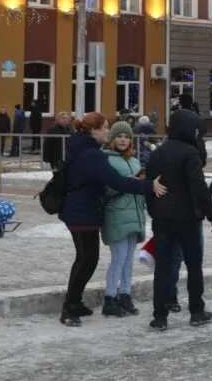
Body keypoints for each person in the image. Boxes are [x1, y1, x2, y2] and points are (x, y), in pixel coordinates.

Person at [59, 112, 165, 326]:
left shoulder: (83, 148)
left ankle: (75, 302)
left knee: (85, 259)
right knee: (86, 260)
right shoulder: (92, 155)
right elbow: (117, 182)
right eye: (106, 127)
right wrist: (148, 185)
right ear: (94, 130)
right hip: (82, 213)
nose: (108, 131)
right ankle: (69, 308)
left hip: (81, 211)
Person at [145, 109, 212, 331]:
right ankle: (196, 311)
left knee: (163, 267)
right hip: (187, 218)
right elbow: (198, 186)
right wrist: (211, 214)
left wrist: (154, 210)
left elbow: (150, 184)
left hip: (162, 218)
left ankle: (160, 316)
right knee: (194, 265)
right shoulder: (190, 153)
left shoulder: (158, 152)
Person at [101, 121, 147, 318]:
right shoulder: (107, 160)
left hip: (134, 215)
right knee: (118, 258)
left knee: (128, 259)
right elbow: (105, 188)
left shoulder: (135, 161)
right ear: (112, 139)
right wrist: (128, 183)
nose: (122, 139)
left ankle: (125, 294)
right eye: (119, 136)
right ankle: (110, 298)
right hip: (117, 214)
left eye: (126, 136)